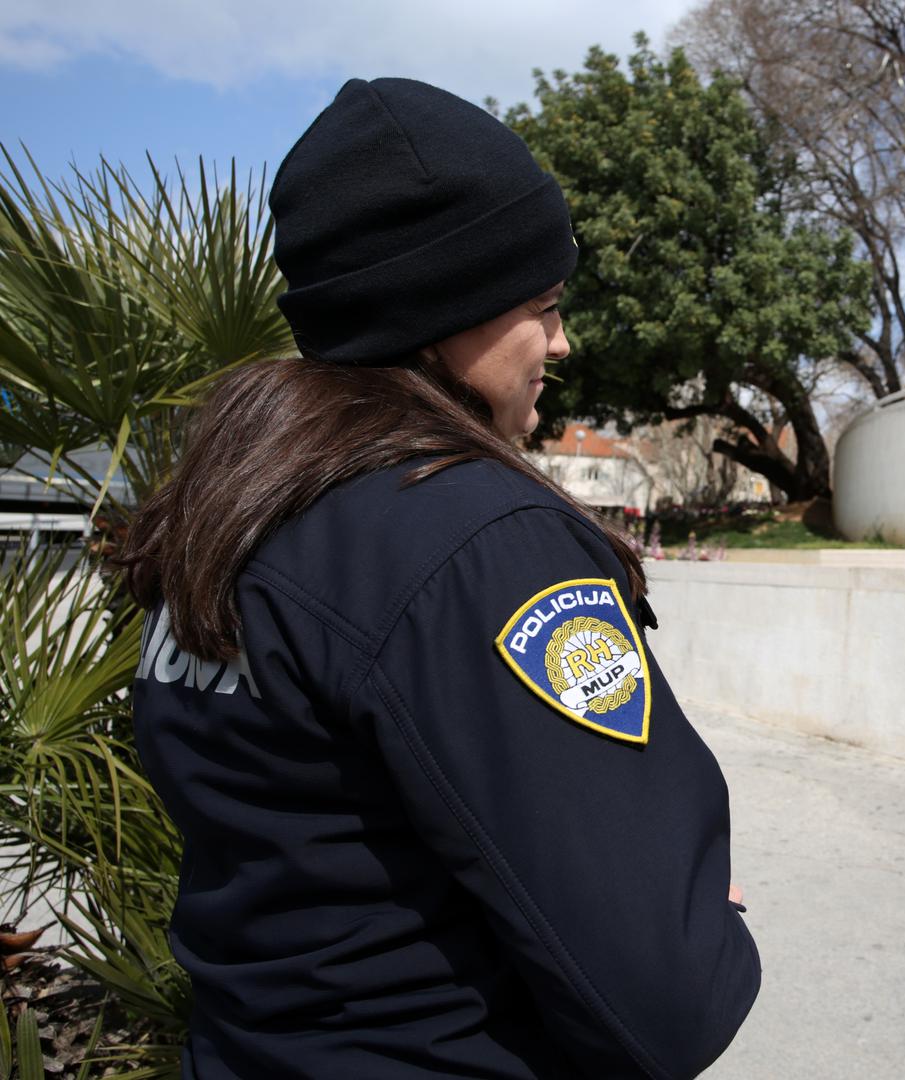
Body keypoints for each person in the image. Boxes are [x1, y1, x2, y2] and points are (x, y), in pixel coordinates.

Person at [113, 77, 761, 1078]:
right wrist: (704, 929)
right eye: (542, 307)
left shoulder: (228, 512)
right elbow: (662, 999)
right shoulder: (477, 541)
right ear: (444, 308)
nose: (562, 341)